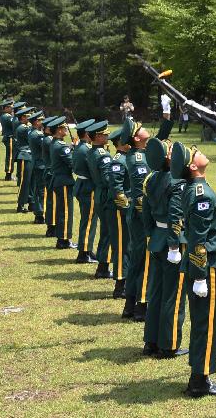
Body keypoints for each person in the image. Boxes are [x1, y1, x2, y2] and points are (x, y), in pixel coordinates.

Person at [172, 142, 216, 397]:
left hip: (203, 265)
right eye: (195, 152)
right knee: (207, 324)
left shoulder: (196, 189)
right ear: (194, 166)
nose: (199, 151)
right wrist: (199, 277)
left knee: (203, 323)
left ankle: (200, 375)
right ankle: (199, 381)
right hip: (207, 267)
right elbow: (198, 239)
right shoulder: (200, 193)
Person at [141, 135, 189, 359]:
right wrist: (173, 245)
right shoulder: (176, 182)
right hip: (172, 242)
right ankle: (169, 344)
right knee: (174, 295)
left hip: (158, 238)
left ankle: (151, 341)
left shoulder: (152, 179)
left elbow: (146, 213)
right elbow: (176, 217)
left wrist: (152, 234)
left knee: (157, 293)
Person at [121, 117, 173, 322]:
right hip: (142, 216)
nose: (145, 130)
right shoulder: (137, 159)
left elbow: (159, 141)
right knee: (144, 260)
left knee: (138, 259)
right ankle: (141, 304)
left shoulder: (142, 153)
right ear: (136, 137)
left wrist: (168, 118)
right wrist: (150, 218)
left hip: (141, 215)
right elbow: (141, 193)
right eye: (141, 128)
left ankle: (131, 304)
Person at [104, 129, 132, 301]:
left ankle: (126, 280)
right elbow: (116, 189)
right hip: (118, 209)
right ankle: (120, 284)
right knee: (122, 246)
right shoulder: (118, 161)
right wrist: (127, 206)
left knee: (128, 246)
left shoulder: (126, 158)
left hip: (125, 209)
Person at [85, 121, 114, 280]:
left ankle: (103, 266)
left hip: (98, 193)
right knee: (109, 232)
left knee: (105, 231)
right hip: (105, 194)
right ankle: (103, 268)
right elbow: (109, 179)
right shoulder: (103, 155)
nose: (107, 136)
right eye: (105, 134)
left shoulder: (91, 151)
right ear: (97, 136)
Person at [71, 119, 99, 263]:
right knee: (89, 221)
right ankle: (84, 253)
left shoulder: (80, 147)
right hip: (89, 187)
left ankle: (86, 249)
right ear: (88, 133)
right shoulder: (87, 150)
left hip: (82, 185)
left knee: (87, 220)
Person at [48, 117, 77, 251]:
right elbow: (72, 164)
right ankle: (64, 240)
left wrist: (71, 148)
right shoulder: (61, 146)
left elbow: (64, 154)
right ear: (59, 130)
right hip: (64, 181)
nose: (66, 130)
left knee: (62, 211)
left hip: (59, 180)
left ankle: (62, 238)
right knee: (65, 212)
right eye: (64, 128)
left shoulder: (56, 143)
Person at [26, 112, 47, 226]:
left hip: (36, 163)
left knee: (38, 189)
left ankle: (38, 213)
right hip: (40, 165)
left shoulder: (32, 132)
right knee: (41, 191)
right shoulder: (38, 135)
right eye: (41, 120)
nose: (42, 122)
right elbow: (46, 147)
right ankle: (39, 214)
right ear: (36, 122)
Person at [0, 99, 16, 181]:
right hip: (9, 138)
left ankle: (9, 174)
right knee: (10, 157)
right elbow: (15, 124)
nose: (12, 109)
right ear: (6, 108)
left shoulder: (8, 116)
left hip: (10, 138)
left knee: (11, 156)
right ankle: (8, 175)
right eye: (11, 107)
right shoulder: (7, 116)